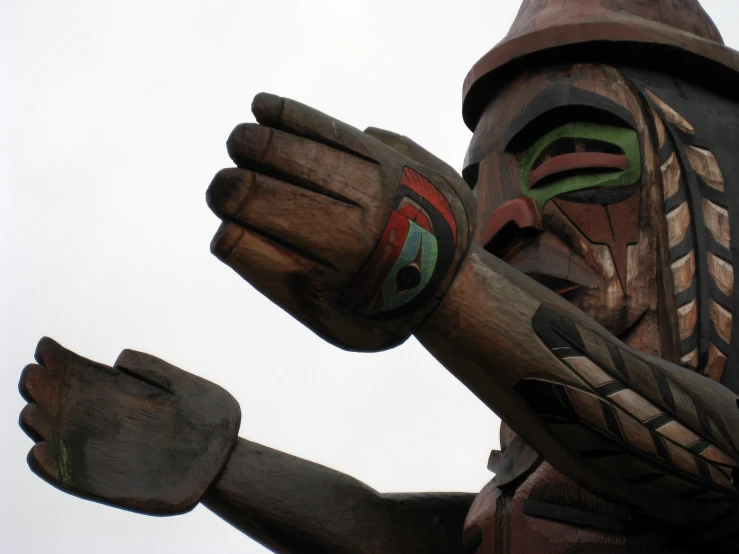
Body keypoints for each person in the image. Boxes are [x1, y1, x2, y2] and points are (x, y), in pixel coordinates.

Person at [18, 0, 739, 552]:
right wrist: (221, 466)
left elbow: (705, 464)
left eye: (572, 163)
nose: (500, 224)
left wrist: (432, 278)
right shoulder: (527, 491)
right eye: (476, 200)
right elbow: (394, 537)